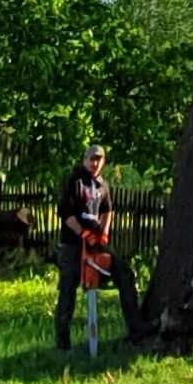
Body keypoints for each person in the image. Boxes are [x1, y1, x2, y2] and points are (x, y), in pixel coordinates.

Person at [54, 144, 134, 355]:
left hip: (97, 240)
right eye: (91, 159)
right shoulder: (74, 181)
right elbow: (65, 212)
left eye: (99, 159)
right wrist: (82, 233)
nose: (95, 163)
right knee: (68, 289)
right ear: (84, 160)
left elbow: (108, 210)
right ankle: (63, 345)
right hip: (73, 241)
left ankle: (136, 329)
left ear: (103, 162)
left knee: (124, 273)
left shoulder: (102, 185)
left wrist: (104, 232)